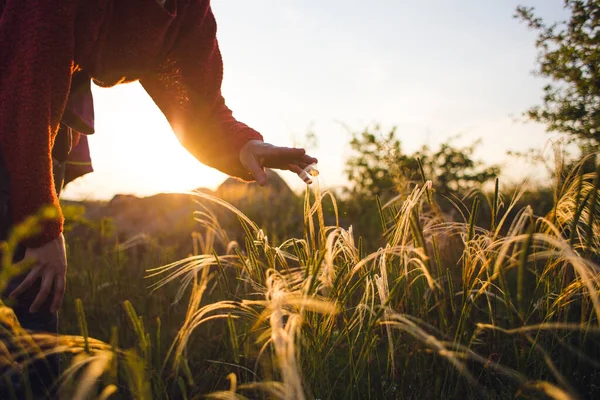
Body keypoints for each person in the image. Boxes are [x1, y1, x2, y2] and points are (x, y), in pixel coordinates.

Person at [0, 0, 317, 396]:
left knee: (32, 304)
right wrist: (43, 226)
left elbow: (200, 105)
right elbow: (26, 83)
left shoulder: (189, 10)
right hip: (14, 99)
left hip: (43, 127)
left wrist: (244, 144)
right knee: (30, 299)